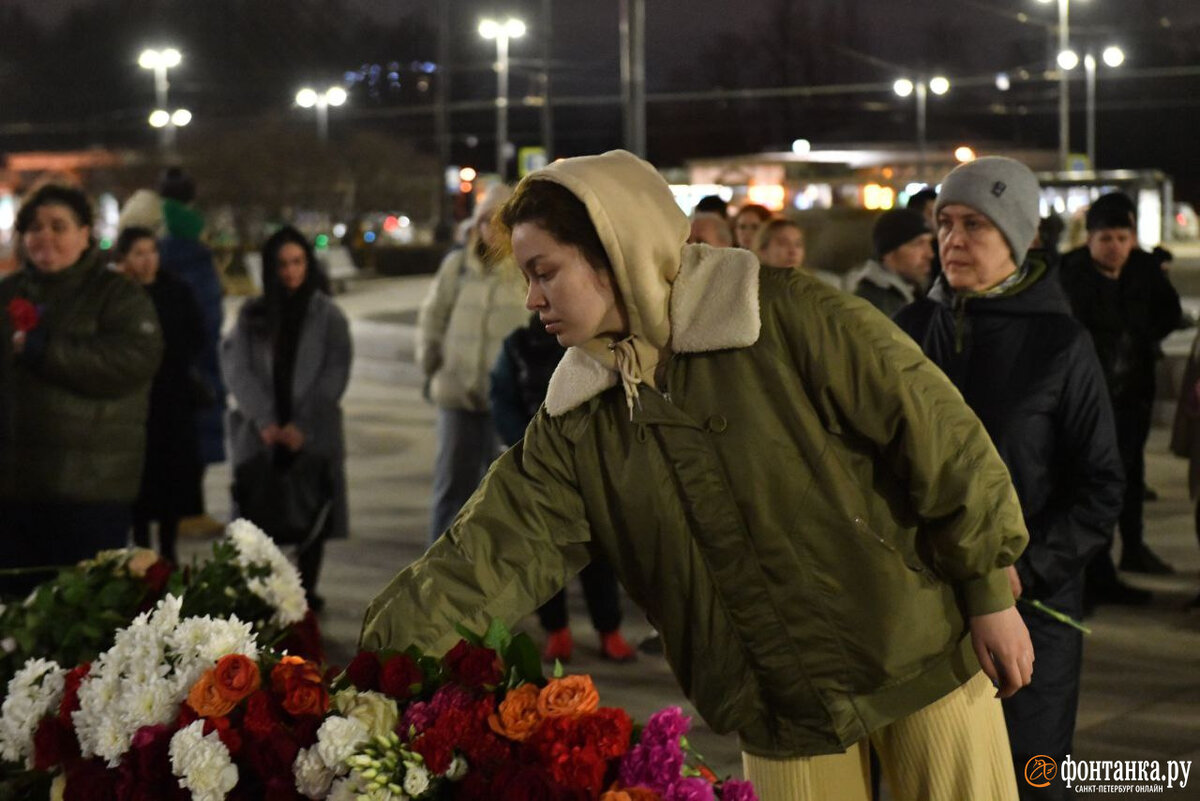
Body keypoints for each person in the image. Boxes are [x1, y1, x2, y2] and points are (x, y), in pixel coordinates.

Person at [363, 150, 1033, 801]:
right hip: (778, 710)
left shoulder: (782, 314)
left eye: (545, 272)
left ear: (612, 253)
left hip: (919, 657)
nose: (532, 298)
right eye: (526, 279)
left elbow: (936, 433)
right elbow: (483, 558)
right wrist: (373, 670)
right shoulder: (576, 421)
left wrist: (987, 590)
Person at [894, 157, 1124, 800]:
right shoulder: (906, 334)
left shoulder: (1061, 344)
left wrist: (1023, 571)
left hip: (1033, 616)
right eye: (944, 223)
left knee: (1032, 779)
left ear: (1020, 237)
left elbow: (1101, 484)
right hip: (921, 616)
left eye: (976, 224)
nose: (954, 240)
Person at [0, 184, 163, 597]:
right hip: (14, 492)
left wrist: (44, 351)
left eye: (59, 226)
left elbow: (133, 359)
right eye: (35, 227)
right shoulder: (8, 291)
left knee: (79, 620)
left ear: (85, 233)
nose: (45, 237)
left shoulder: (117, 295)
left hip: (87, 492)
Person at [489, 313, 636, 663]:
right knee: (542, 553)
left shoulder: (588, 341)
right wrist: (528, 446)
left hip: (587, 465)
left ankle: (608, 629)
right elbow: (502, 399)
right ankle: (556, 630)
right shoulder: (516, 346)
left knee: (596, 552)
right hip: (534, 465)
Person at [221, 226, 352, 609]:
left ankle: (306, 591)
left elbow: (335, 372)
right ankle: (265, 592)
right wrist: (264, 420)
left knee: (312, 509)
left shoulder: (328, 316)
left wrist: (303, 425)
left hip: (310, 432)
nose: (290, 271)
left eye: (297, 262)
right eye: (282, 264)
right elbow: (237, 367)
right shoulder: (252, 314)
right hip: (263, 433)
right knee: (260, 512)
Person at [1059, 193, 1183, 589]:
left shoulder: (1144, 271)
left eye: (1122, 238)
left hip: (1134, 390)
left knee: (1131, 472)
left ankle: (1134, 547)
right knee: (1093, 480)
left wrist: (1142, 338)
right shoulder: (1070, 275)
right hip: (1090, 397)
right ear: (1090, 239)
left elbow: (1170, 313)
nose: (1115, 247)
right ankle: (1096, 570)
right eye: (1106, 238)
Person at [417, 185, 529, 543]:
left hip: (508, 403)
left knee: (505, 495)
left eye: (498, 222)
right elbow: (432, 320)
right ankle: (439, 576)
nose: (490, 230)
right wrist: (432, 369)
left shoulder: (526, 269)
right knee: (451, 491)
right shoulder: (457, 267)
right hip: (458, 398)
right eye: (484, 221)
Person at [116, 226, 205, 566]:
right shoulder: (120, 294)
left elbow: (196, 335)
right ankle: (140, 548)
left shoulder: (176, 290)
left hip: (172, 398)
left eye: (151, 251)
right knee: (140, 479)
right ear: (124, 258)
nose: (147, 259)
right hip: (135, 401)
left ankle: (169, 551)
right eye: (139, 252)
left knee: (171, 477)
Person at [157, 168, 228, 537]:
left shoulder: (159, 236)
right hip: (194, 361)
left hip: (171, 359)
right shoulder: (190, 243)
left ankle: (179, 508)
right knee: (192, 439)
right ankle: (189, 510)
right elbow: (206, 314)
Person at [844, 208, 933, 317]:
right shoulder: (879, 308)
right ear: (889, 253)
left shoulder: (910, 294)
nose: (929, 254)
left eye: (929, 243)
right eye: (918, 244)